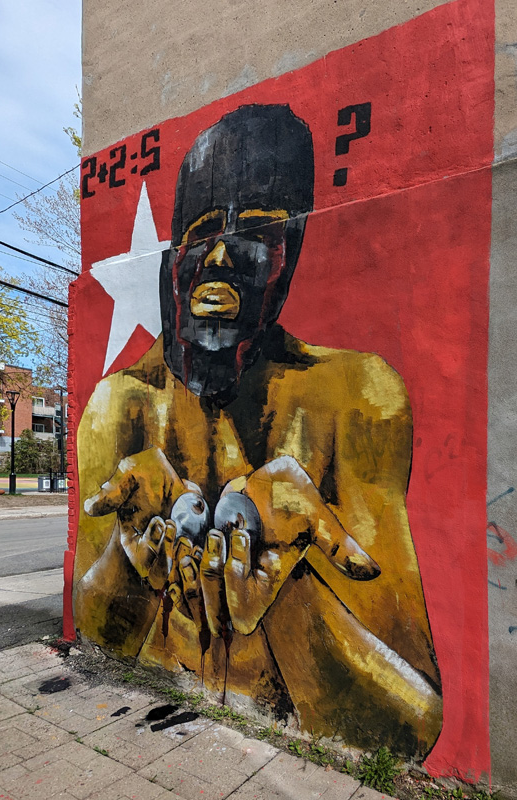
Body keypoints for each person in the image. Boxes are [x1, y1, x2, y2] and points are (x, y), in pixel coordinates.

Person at [73, 104, 442, 757]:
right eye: (202, 232)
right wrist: (131, 556)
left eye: (257, 231)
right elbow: (98, 637)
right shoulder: (122, 405)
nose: (220, 255)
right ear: (174, 258)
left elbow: (410, 722)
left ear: (289, 256)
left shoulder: (356, 397)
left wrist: (290, 588)